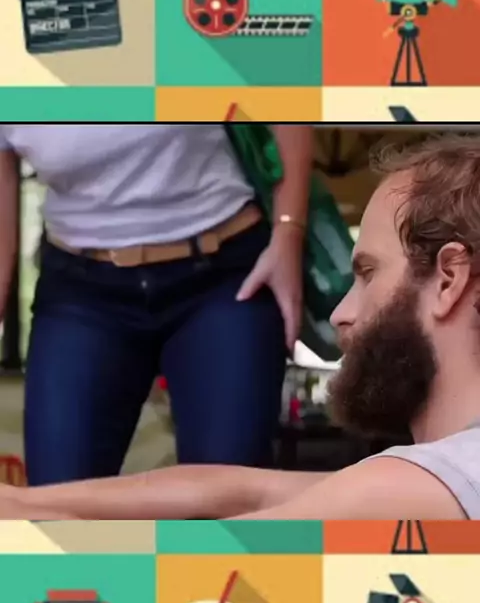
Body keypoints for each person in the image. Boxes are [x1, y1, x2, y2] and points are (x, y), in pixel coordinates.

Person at [3, 131, 479, 521]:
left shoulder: (404, 489)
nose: (339, 313)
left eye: (368, 273)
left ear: (448, 279)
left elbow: (206, 563)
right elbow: (239, 489)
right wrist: (25, 502)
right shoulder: (441, 471)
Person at [0, 125, 313, 485]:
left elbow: (284, 108)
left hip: (224, 276)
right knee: (57, 496)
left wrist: (289, 234)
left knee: (228, 493)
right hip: (79, 290)